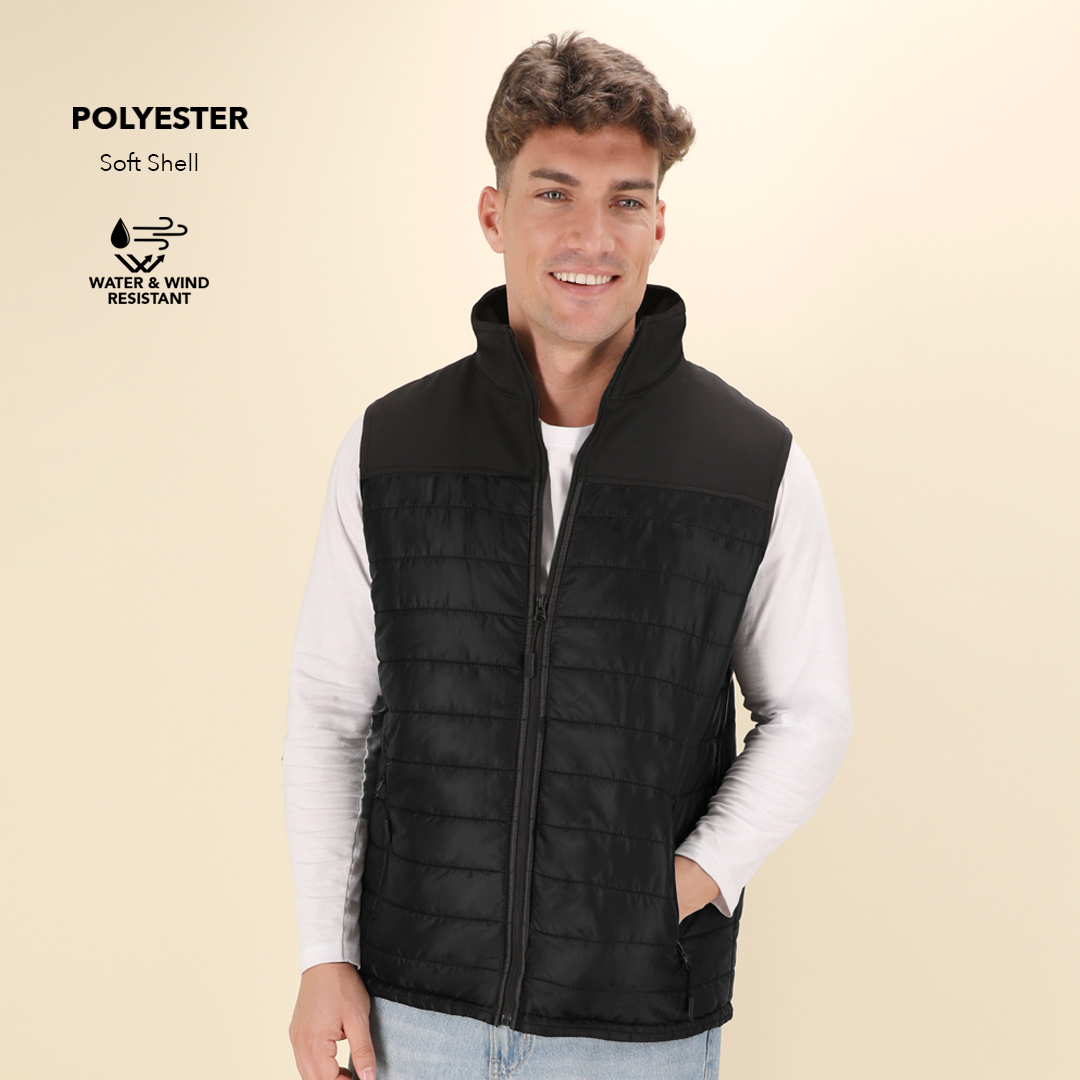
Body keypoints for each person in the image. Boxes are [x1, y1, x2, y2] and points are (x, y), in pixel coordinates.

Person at [283, 30, 852, 1080]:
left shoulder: (750, 462)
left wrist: (687, 881)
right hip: (413, 1008)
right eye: (554, 194)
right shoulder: (392, 446)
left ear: (659, 223)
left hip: (634, 1021)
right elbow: (329, 710)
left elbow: (811, 712)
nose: (593, 235)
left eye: (626, 200)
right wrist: (326, 956)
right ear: (494, 215)